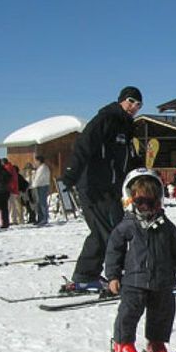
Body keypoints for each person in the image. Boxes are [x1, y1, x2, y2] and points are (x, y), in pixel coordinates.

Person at [61, 86, 144, 290]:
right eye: (131, 101)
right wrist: (71, 174)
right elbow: (84, 144)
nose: (134, 107)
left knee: (113, 230)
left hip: (112, 188)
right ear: (121, 100)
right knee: (107, 231)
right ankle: (99, 276)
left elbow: (128, 159)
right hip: (94, 186)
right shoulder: (106, 119)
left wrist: (141, 173)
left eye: (138, 105)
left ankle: (91, 275)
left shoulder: (127, 126)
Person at [105, 168, 176, 352]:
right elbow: (114, 251)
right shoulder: (127, 226)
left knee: (162, 312)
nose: (145, 207)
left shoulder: (166, 225)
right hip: (134, 280)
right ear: (130, 200)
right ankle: (122, 344)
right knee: (129, 312)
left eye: (150, 202)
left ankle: (156, 342)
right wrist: (113, 276)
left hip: (162, 279)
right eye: (140, 202)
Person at [29, 156, 51, 226]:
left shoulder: (43, 168)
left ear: (39, 161)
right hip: (39, 186)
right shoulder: (40, 168)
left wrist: (33, 186)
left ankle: (44, 218)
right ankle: (40, 218)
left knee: (42, 203)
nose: (35, 163)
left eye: (35, 161)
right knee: (39, 203)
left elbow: (38, 179)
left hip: (42, 186)